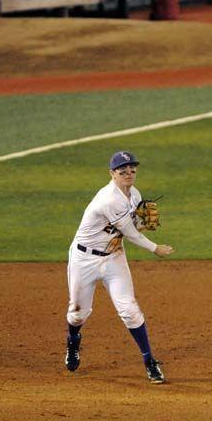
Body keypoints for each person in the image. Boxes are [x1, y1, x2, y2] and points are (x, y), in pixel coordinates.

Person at [64, 150, 174, 384]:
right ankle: (73, 343)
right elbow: (130, 233)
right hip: (84, 259)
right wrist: (156, 248)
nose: (128, 173)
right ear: (112, 173)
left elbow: (130, 227)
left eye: (132, 169)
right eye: (122, 170)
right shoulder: (108, 198)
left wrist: (141, 224)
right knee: (77, 314)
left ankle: (149, 362)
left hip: (113, 257)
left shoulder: (134, 194)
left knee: (130, 311)